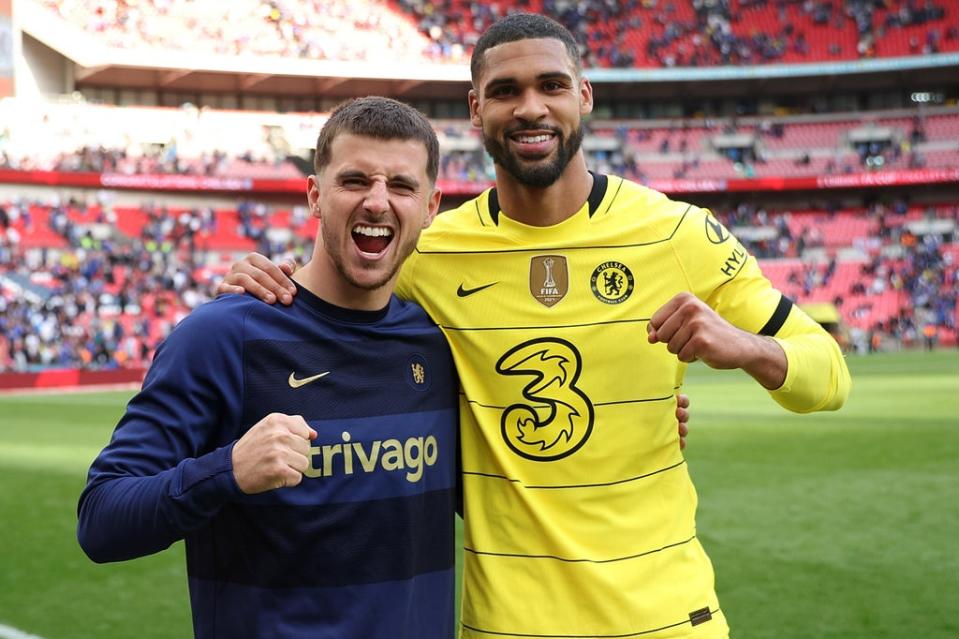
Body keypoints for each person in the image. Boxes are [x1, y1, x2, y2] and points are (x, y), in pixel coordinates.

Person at [219, 13, 851, 639]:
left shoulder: (678, 234)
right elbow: (334, 307)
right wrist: (263, 283)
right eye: (505, 91)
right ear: (475, 109)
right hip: (507, 625)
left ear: (584, 95)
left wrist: (743, 347)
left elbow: (828, 375)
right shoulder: (431, 256)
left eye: (551, 86)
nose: (530, 108)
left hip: (665, 618)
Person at [77, 97, 460, 639]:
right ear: (314, 196)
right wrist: (226, 470)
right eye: (354, 181)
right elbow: (101, 520)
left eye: (401, 186)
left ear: (431, 205)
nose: (378, 202)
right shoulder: (222, 337)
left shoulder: (439, 343)